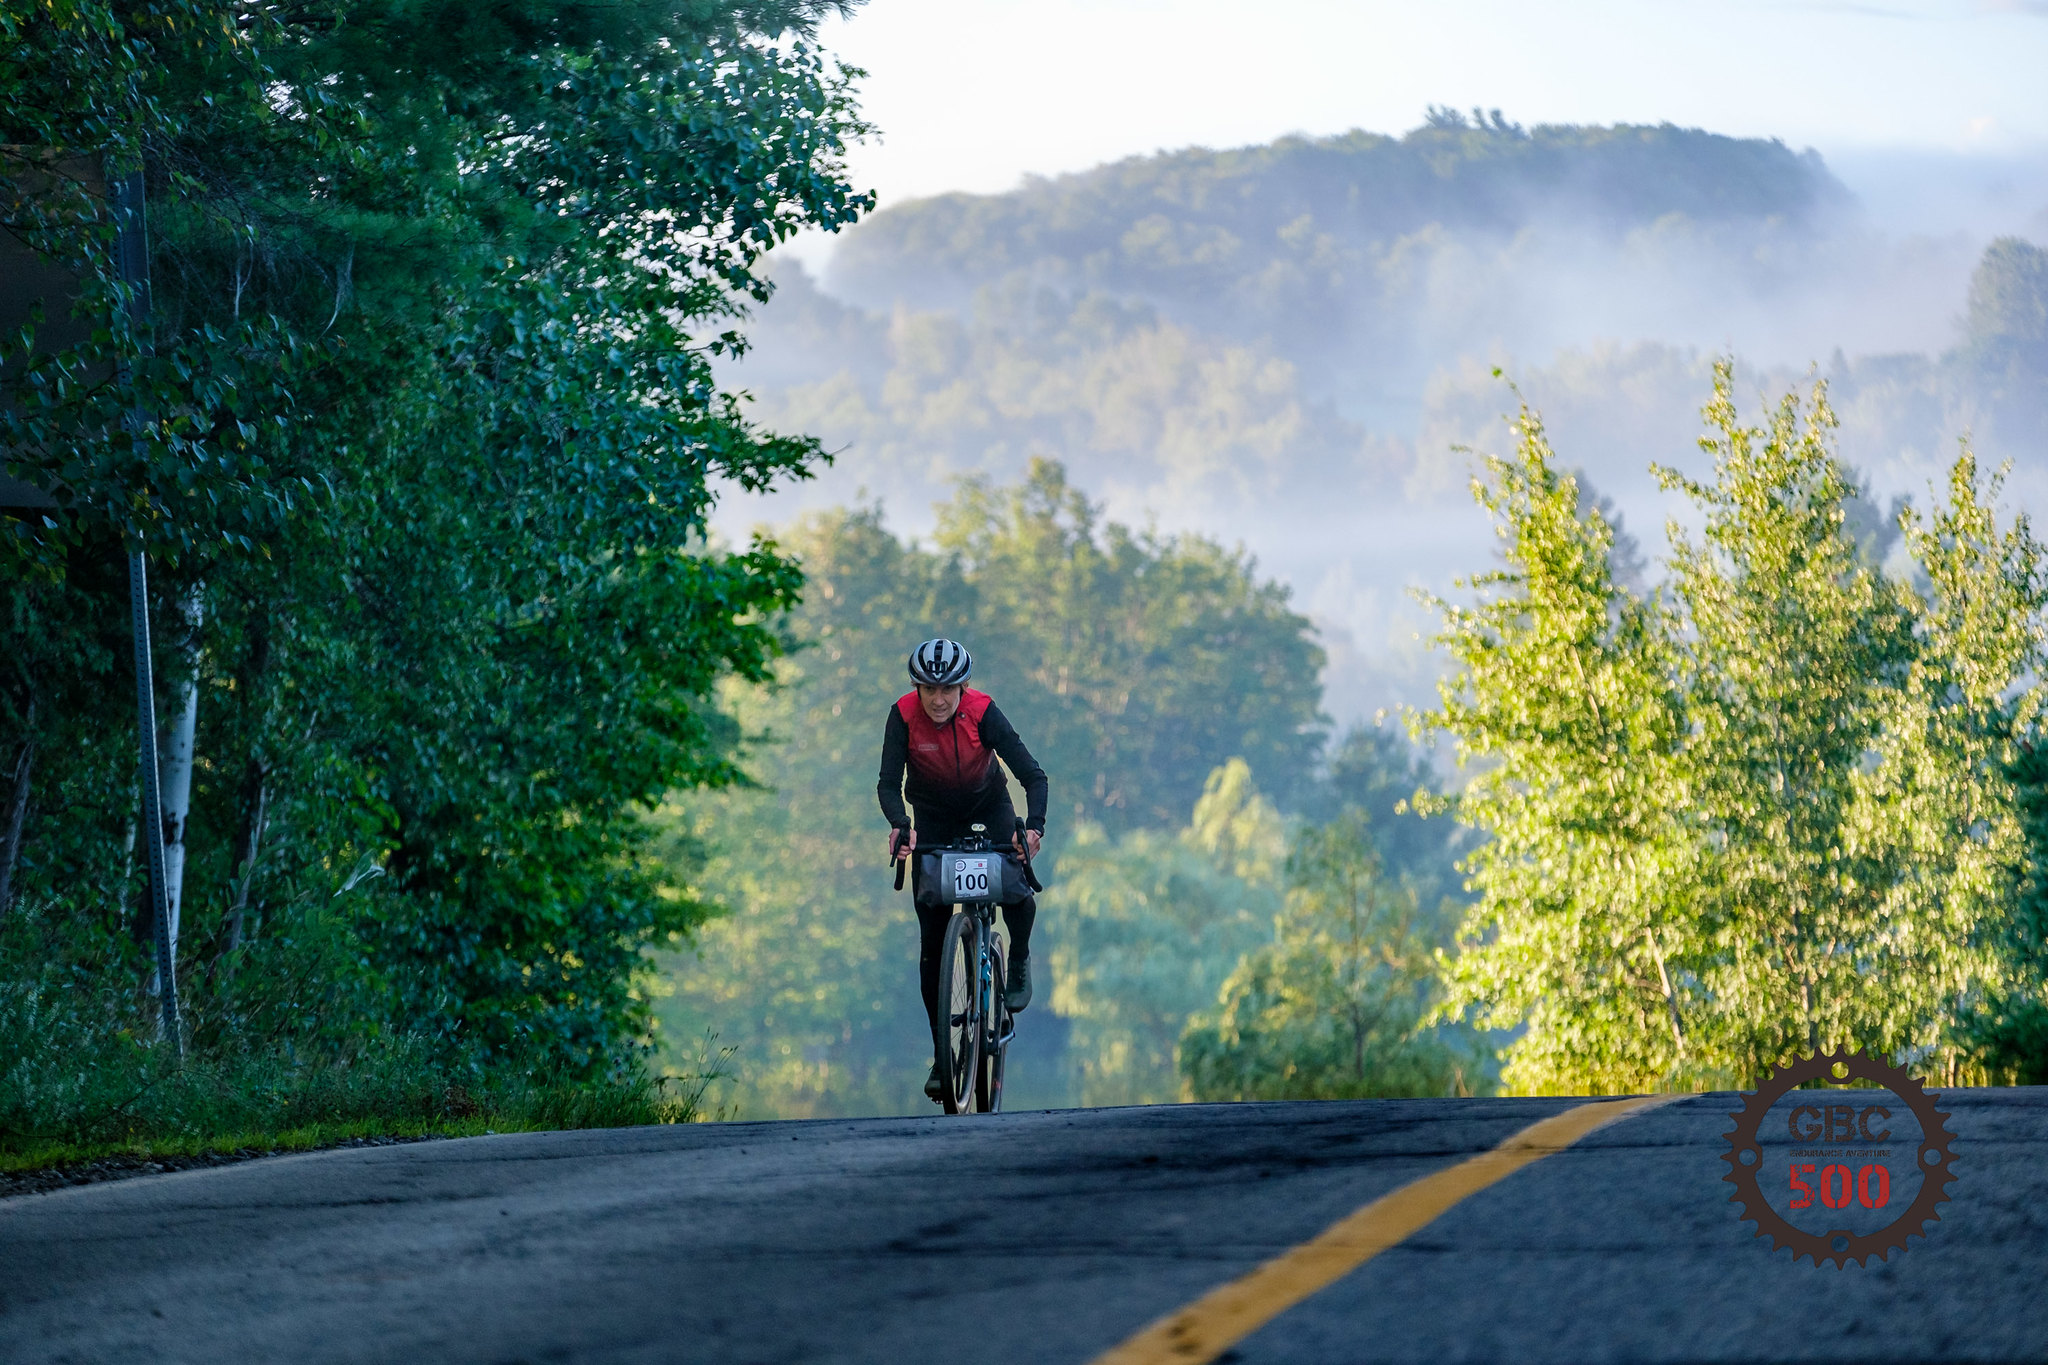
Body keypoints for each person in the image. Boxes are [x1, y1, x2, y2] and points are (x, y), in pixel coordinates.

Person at [877, 637, 1048, 1103]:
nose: (937, 699)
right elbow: (888, 783)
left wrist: (1033, 830)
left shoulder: (984, 711)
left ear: (963, 686)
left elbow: (1033, 776)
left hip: (987, 804)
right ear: (916, 687)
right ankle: (942, 1057)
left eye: (948, 689)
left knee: (1016, 886)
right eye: (928, 689)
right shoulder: (902, 716)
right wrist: (900, 826)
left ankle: (1017, 958)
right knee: (932, 944)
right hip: (930, 816)